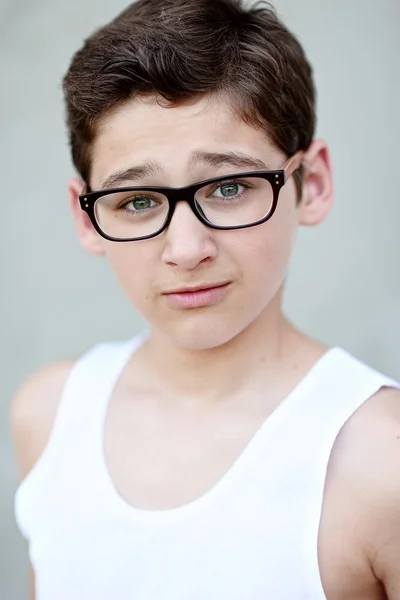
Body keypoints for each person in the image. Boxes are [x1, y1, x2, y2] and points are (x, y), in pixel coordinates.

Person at [10, 0, 400, 598]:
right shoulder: (49, 414)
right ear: (86, 216)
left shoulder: (381, 459)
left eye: (229, 187)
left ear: (311, 183)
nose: (186, 249)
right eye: (137, 200)